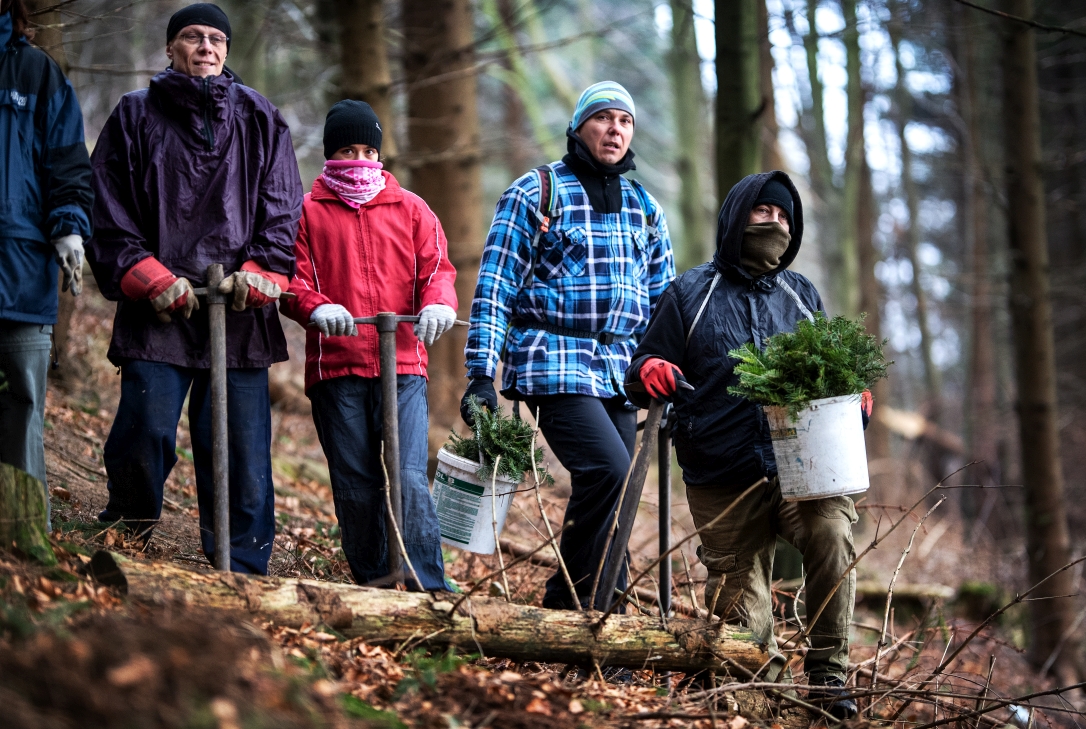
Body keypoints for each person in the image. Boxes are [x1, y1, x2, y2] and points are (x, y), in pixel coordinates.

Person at [624, 171, 859, 718]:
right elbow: (638, 370)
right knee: (744, 624)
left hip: (804, 469)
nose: (774, 222)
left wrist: (855, 402)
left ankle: (828, 678)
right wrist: (652, 368)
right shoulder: (690, 294)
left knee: (832, 531)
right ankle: (768, 697)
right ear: (735, 218)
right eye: (763, 212)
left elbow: (827, 380)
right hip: (721, 474)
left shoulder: (802, 298)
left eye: (783, 216)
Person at [86, 3, 302, 574]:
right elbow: (107, 211)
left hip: (239, 313)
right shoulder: (134, 116)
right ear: (170, 49)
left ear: (226, 51)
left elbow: (283, 214)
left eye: (215, 38)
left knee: (240, 450)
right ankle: (127, 539)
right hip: (159, 311)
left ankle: (245, 569)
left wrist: (259, 271)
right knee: (144, 431)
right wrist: (148, 275)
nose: (205, 46)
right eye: (191, 36)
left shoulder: (261, 119)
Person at [463, 81, 675, 610]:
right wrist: (480, 373)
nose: (615, 129)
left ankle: (605, 615)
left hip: (619, 369)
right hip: (550, 359)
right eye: (604, 118)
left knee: (618, 494)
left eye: (624, 121)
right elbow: (495, 284)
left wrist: (662, 369)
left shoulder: (644, 207)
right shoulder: (536, 192)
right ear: (580, 126)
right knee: (607, 470)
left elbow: (662, 301)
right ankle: (571, 602)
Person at [280, 100, 457, 590]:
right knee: (356, 484)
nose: (359, 158)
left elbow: (436, 269)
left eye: (367, 149)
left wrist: (439, 302)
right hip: (336, 368)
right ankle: (374, 584)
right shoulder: (306, 212)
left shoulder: (412, 207)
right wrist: (314, 306)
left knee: (407, 479)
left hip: (402, 363)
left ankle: (429, 588)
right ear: (329, 153)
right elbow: (289, 280)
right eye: (347, 149)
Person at [0, 0, 92, 527]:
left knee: (24, 404)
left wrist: (70, 225)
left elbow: (67, 160)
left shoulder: (36, 71)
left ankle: (27, 533)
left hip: (21, 268)